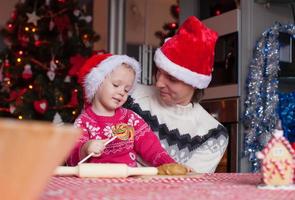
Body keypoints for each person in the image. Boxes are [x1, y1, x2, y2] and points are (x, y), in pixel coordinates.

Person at [124, 16, 229, 173]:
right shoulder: (129, 95)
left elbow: (186, 186)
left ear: (194, 83)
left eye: (171, 78)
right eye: (158, 72)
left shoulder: (212, 134)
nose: (159, 83)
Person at [66, 53, 182, 170]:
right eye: (116, 85)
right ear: (97, 83)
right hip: (95, 181)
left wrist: (171, 165)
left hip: (128, 180)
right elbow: (71, 160)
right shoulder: (83, 122)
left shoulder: (130, 119)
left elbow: (152, 147)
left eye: (126, 90)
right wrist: (85, 148)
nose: (122, 92)